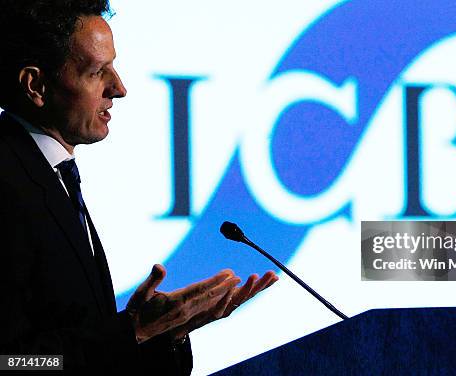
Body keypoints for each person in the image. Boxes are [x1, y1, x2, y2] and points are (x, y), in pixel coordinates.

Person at [0, 0, 278, 374]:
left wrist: (165, 333)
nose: (119, 88)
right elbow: (14, 362)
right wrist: (133, 331)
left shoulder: (50, 173)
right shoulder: (6, 182)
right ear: (36, 84)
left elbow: (81, 346)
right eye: (98, 71)